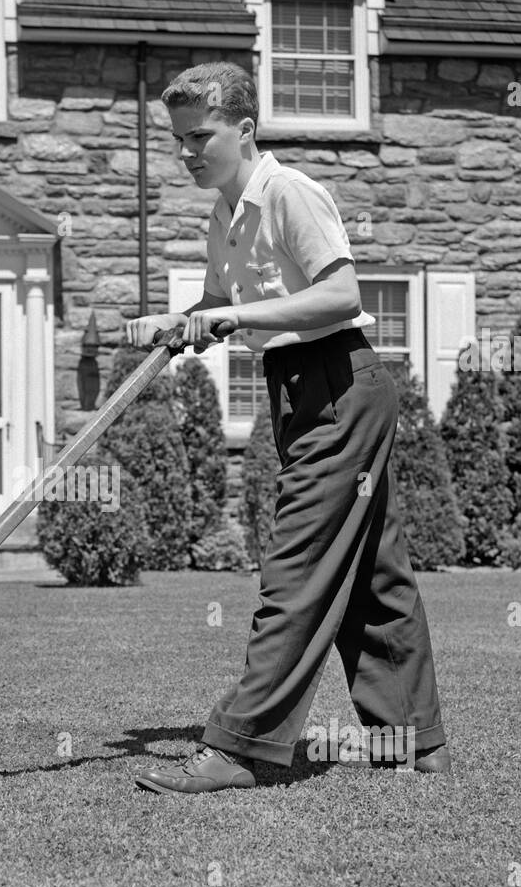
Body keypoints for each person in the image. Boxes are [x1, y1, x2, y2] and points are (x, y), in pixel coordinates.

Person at [125, 62, 450, 793]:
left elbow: (340, 293)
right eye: (177, 139)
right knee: (372, 574)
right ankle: (415, 743)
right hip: (299, 393)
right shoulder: (223, 217)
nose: (186, 152)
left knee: (296, 567)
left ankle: (239, 748)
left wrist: (233, 317)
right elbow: (215, 301)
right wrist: (176, 325)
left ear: (243, 129)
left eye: (199, 136)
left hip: (342, 382)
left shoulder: (288, 193)